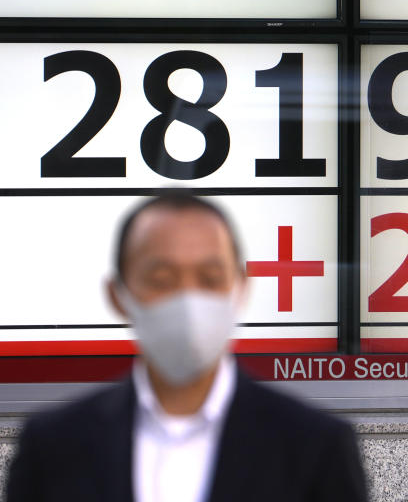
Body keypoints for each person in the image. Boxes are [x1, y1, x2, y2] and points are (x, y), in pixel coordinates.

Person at [6, 192, 368, 502]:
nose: (188, 300)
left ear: (240, 288)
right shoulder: (53, 446)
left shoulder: (317, 447)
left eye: (210, 279)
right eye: (161, 279)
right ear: (118, 295)